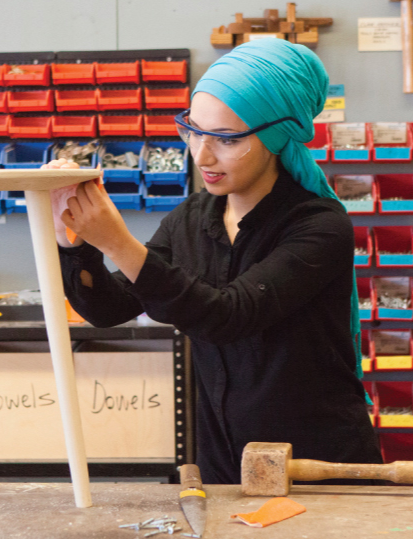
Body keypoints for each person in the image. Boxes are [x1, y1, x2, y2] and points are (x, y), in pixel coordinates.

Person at [48, 38, 383, 484]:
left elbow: (228, 315)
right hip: (227, 462)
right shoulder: (193, 216)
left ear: (275, 136)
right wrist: (71, 239)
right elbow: (110, 308)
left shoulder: (318, 226)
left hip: (317, 464)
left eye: (225, 139)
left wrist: (119, 243)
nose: (202, 155)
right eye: (193, 130)